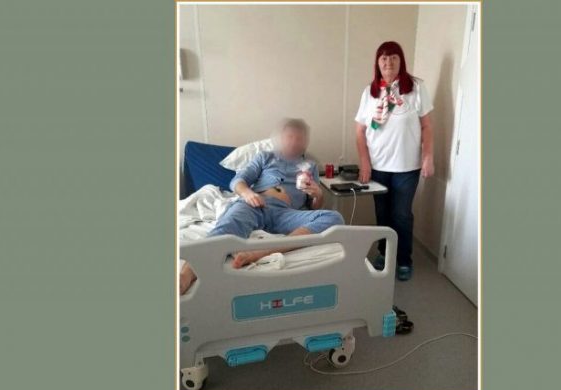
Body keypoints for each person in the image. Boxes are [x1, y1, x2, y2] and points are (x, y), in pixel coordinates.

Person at [179, 118, 344, 294]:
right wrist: (248, 194)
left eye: (299, 138)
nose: (294, 142)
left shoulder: (310, 166)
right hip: (256, 204)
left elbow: (314, 208)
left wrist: (318, 194)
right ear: (280, 138)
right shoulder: (265, 157)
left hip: (286, 214)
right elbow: (238, 181)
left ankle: (263, 251)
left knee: (334, 217)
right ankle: (186, 274)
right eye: (290, 137)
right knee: (229, 224)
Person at [354, 41, 434, 281]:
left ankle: (403, 260)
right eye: (384, 58)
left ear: (401, 61)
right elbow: (360, 131)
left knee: (401, 215)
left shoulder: (416, 88)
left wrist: (428, 157)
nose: (388, 62)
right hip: (378, 166)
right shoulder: (370, 92)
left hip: (407, 166)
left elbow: (427, 126)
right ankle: (384, 253)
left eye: (393, 57)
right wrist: (365, 163)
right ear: (377, 63)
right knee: (382, 214)